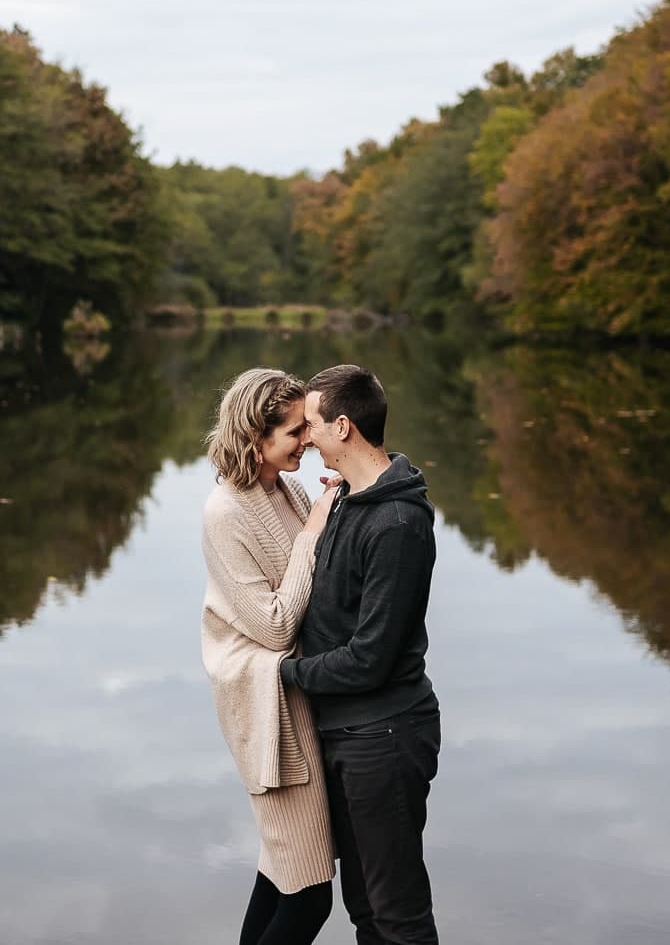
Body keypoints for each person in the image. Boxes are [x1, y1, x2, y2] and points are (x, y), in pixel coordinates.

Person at [283, 364, 440, 945]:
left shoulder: (397, 522)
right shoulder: (349, 498)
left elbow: (370, 658)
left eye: (311, 426)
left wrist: (282, 672)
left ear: (343, 426)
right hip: (347, 734)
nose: (305, 438)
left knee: (397, 915)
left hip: (386, 736)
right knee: (364, 910)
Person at [200, 368, 342, 945]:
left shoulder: (288, 489)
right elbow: (277, 625)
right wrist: (316, 527)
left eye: (306, 428)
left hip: (297, 692)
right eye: (293, 433)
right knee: (309, 895)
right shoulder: (225, 513)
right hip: (264, 701)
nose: (306, 440)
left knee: (283, 873)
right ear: (255, 437)